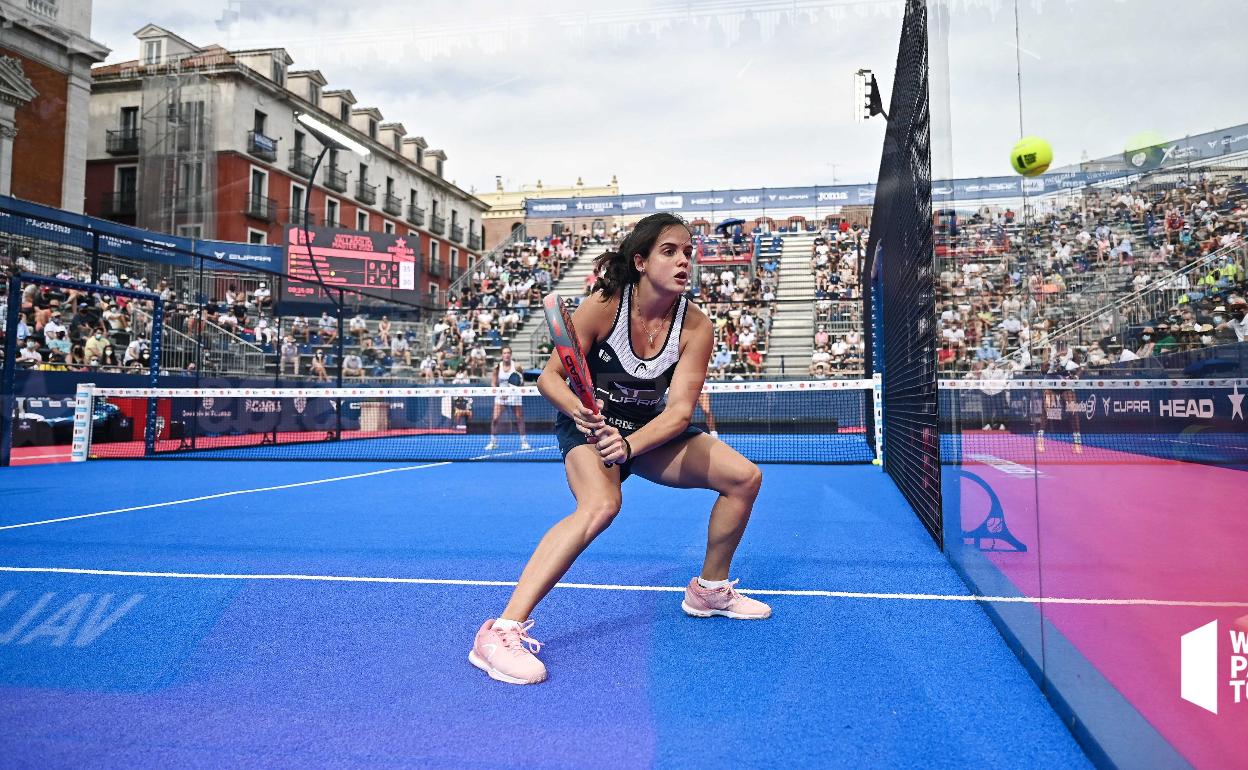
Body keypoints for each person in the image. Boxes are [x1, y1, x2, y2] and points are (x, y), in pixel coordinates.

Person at [470, 213, 769, 686]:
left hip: (647, 433)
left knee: (744, 478)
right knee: (602, 504)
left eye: (688, 252)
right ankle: (499, 632)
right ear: (641, 260)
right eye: (669, 251)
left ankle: (709, 590)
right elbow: (550, 378)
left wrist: (628, 445)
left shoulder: (696, 326)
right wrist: (584, 413)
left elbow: (677, 413)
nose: (683, 260)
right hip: (589, 430)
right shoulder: (602, 306)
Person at [484, 346, 530, 451]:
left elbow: (521, 382)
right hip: (501, 396)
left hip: (515, 395)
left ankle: (524, 442)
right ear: (502, 355)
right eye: (504, 353)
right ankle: (493, 442)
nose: (506, 355)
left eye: (508, 353)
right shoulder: (497, 367)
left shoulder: (517, 366)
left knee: (519, 418)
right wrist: (500, 393)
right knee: (495, 419)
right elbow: (493, 383)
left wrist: (517, 389)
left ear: (511, 354)